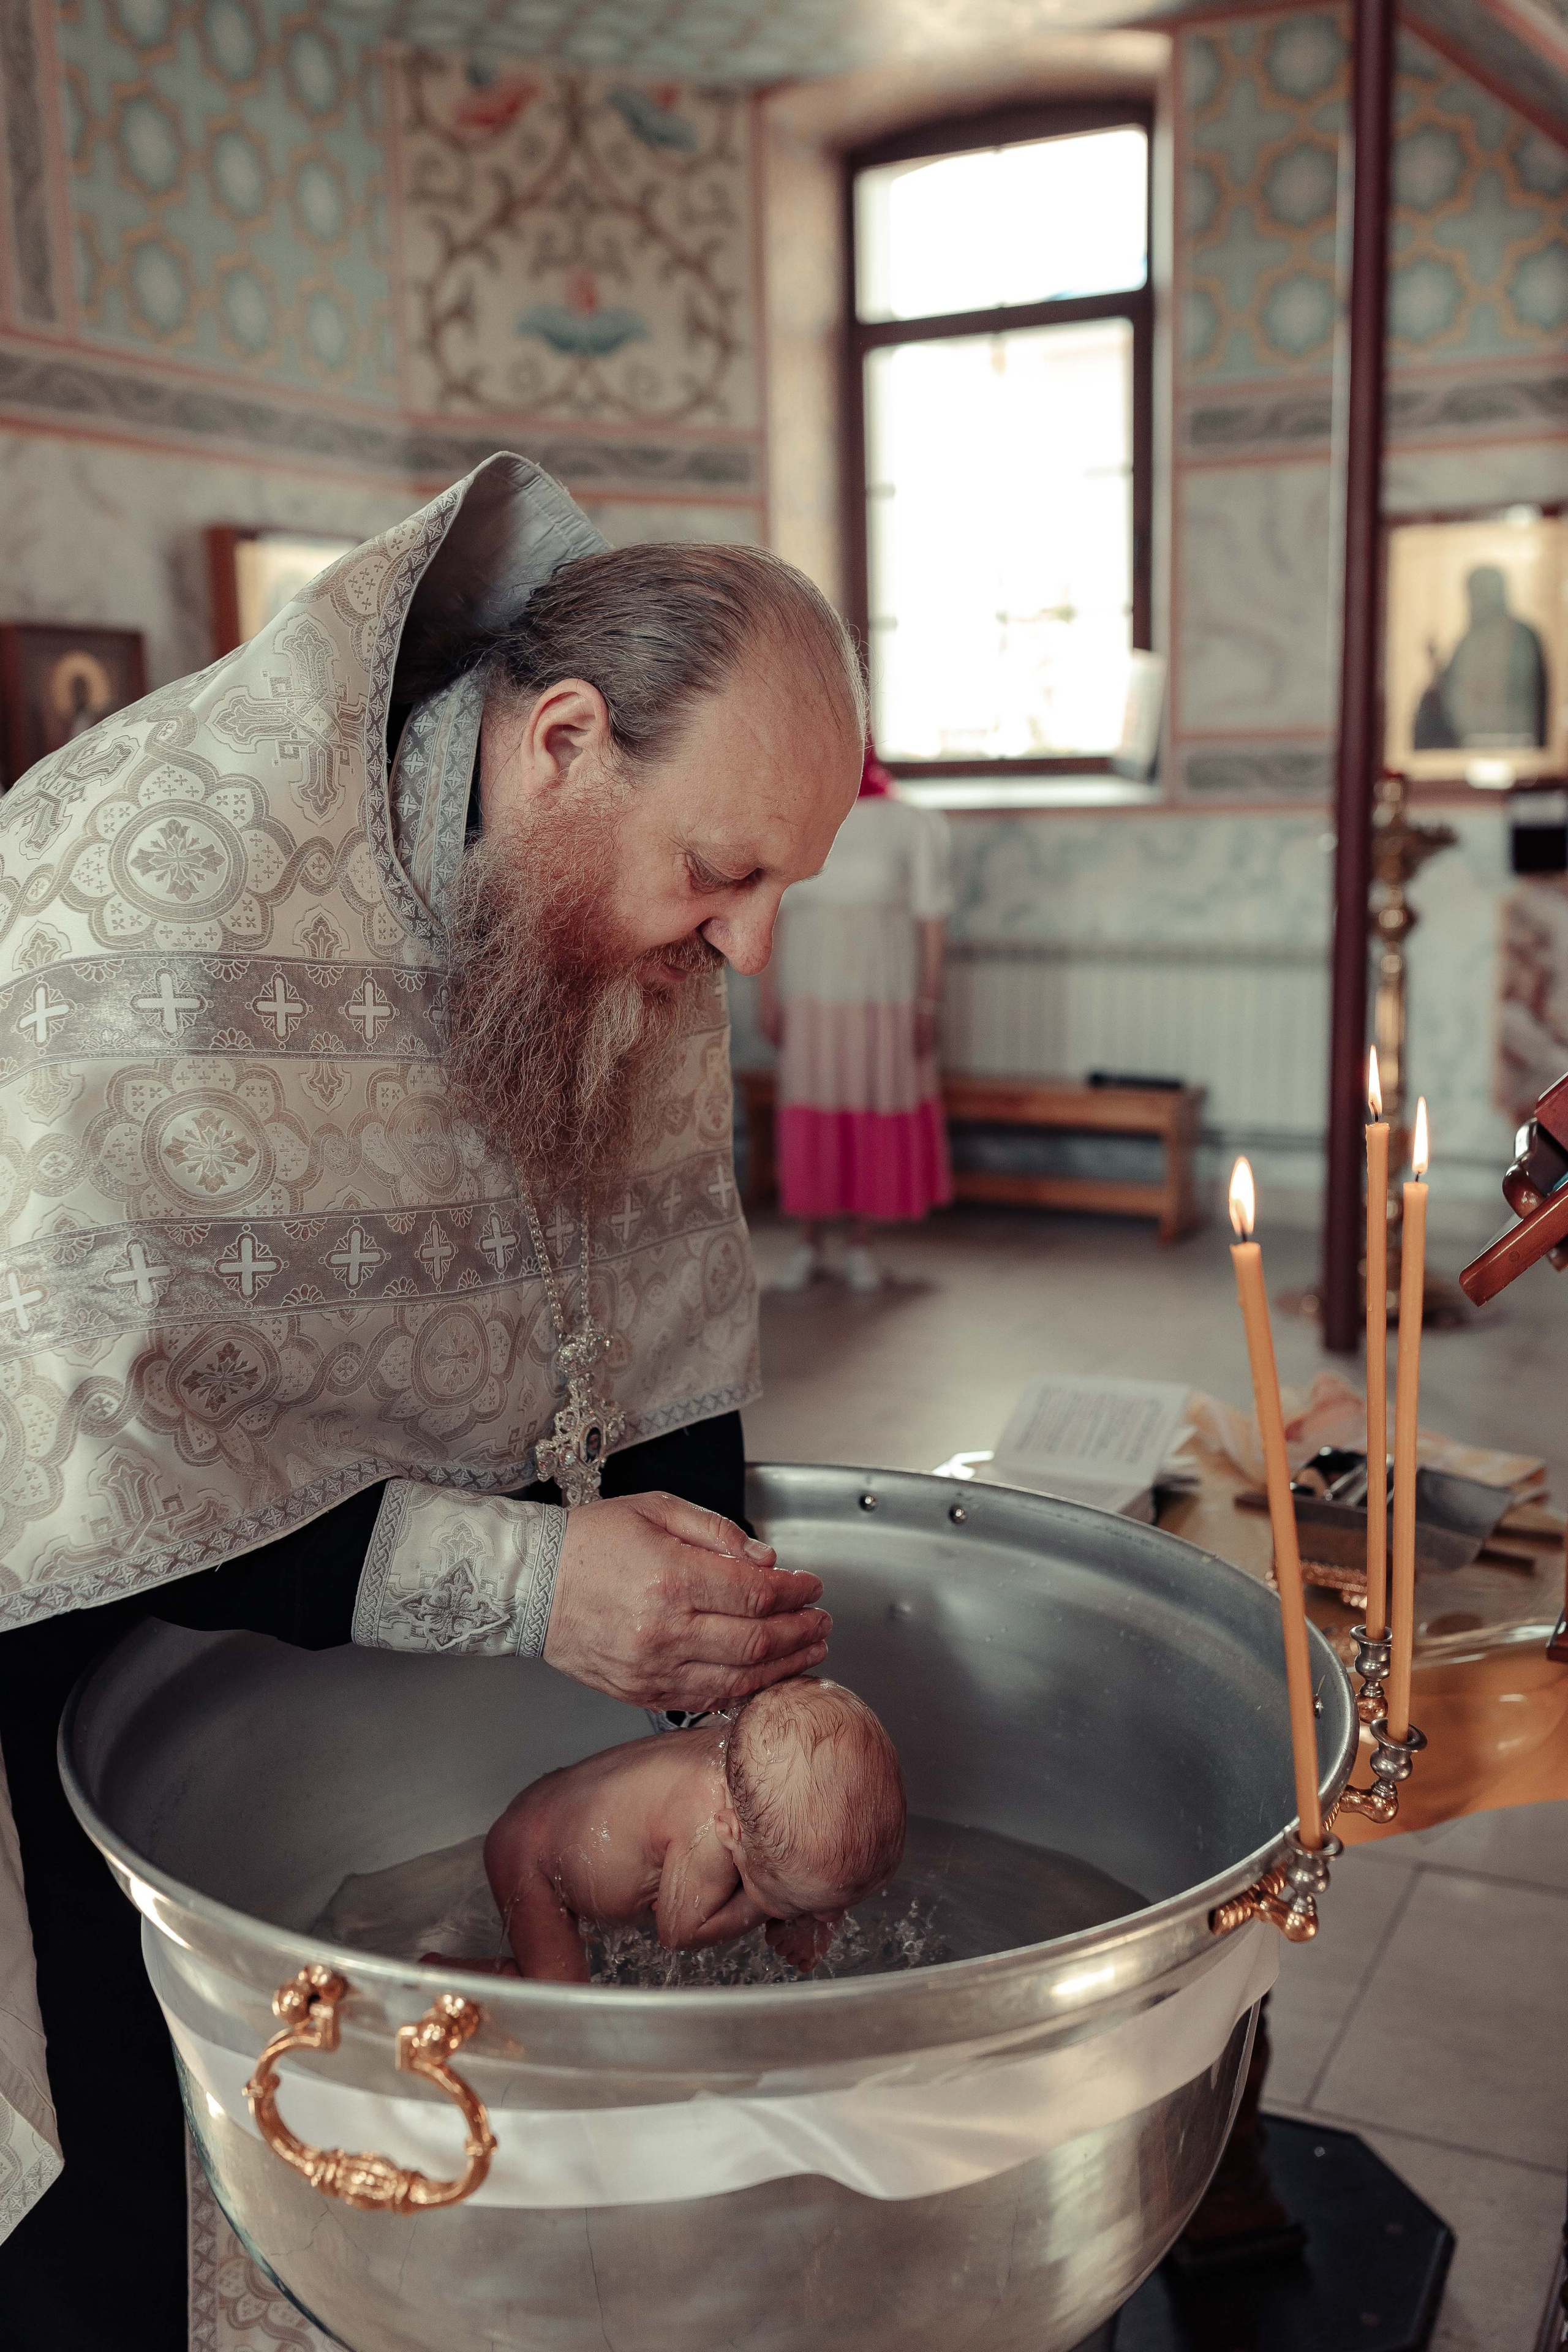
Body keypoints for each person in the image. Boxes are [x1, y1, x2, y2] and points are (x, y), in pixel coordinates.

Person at [0, 453, 865, 2347]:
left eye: (785, 884)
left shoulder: (605, 888)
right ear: (562, 741)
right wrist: (523, 1584)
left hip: (391, 1648)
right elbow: (88, 1451)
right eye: (727, 873)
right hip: (81, 1667)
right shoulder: (145, 909)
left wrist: (723, 1688)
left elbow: (642, 1290)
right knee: (144, 2189)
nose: (750, 947)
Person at [481, 1677, 907, 1980]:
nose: (832, 1919)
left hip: (558, 1803)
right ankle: (447, 1985)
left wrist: (804, 1903)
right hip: (530, 1859)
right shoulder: (706, 1828)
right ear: (731, 1836)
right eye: (800, 1906)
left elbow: (809, 1864)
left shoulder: (759, 1763)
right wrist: (770, 1909)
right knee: (563, 2008)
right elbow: (679, 1932)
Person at [760, 741, 954, 1292]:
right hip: (811, 998)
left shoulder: (913, 824)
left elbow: (931, 918)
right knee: (810, 1109)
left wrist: (928, 1001)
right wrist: (767, 997)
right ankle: (807, 1241)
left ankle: (862, 1244)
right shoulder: (797, 818)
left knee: (870, 1107)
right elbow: (774, 915)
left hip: (881, 998)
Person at [1412, 562, 1550, 752]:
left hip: (1514, 742)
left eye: (1485, 592)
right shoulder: (1467, 642)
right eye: (1475, 593)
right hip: (1467, 744)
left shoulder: (1522, 636)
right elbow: (1451, 692)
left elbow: (1529, 697)